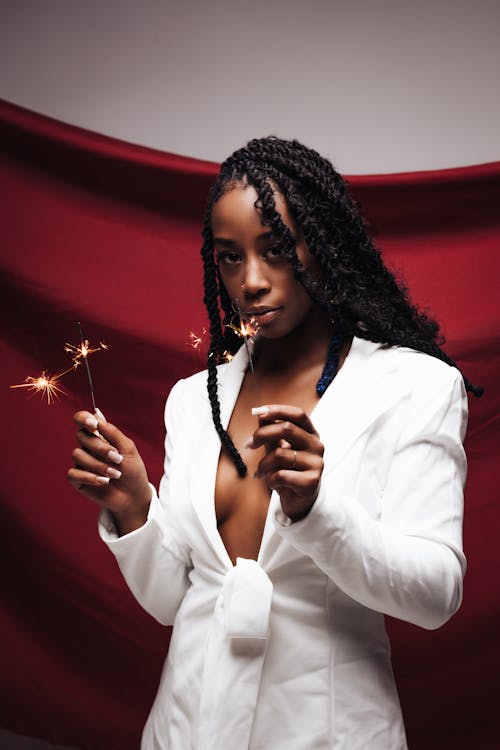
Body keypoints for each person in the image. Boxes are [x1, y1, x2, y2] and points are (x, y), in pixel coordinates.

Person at [68, 137, 480, 749]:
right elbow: (173, 603)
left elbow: (436, 595)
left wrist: (318, 509)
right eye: (231, 258)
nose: (251, 282)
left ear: (324, 245)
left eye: (277, 250)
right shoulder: (193, 399)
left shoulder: (415, 386)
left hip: (325, 734)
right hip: (185, 730)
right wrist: (133, 506)